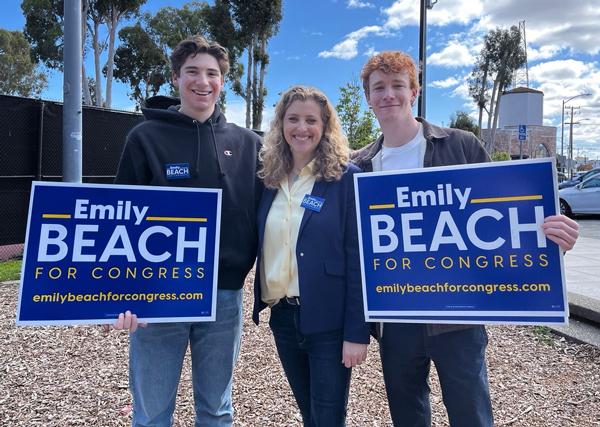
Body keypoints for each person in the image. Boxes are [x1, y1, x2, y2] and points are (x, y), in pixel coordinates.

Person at [352, 51, 580, 427]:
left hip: (459, 318)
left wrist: (552, 237)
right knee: (408, 415)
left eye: (397, 86)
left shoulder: (460, 145)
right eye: (379, 88)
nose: (388, 94)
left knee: (471, 414)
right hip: (396, 319)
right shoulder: (359, 165)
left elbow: (503, 217)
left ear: (414, 92)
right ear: (368, 97)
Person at [111, 35, 261, 427]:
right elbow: (119, 220)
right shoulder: (144, 138)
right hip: (158, 295)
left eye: (212, 73)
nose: (203, 81)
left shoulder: (249, 144)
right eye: (192, 71)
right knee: (152, 412)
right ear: (176, 78)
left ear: (223, 82)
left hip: (225, 296)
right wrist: (120, 296)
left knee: (216, 410)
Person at [252, 85, 370, 426]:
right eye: (293, 119)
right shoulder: (270, 178)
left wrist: (356, 332)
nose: (301, 128)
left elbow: (357, 258)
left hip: (329, 322)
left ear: (325, 126)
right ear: (281, 125)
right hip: (284, 320)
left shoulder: (345, 179)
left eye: (310, 120)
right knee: (309, 413)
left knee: (329, 417)